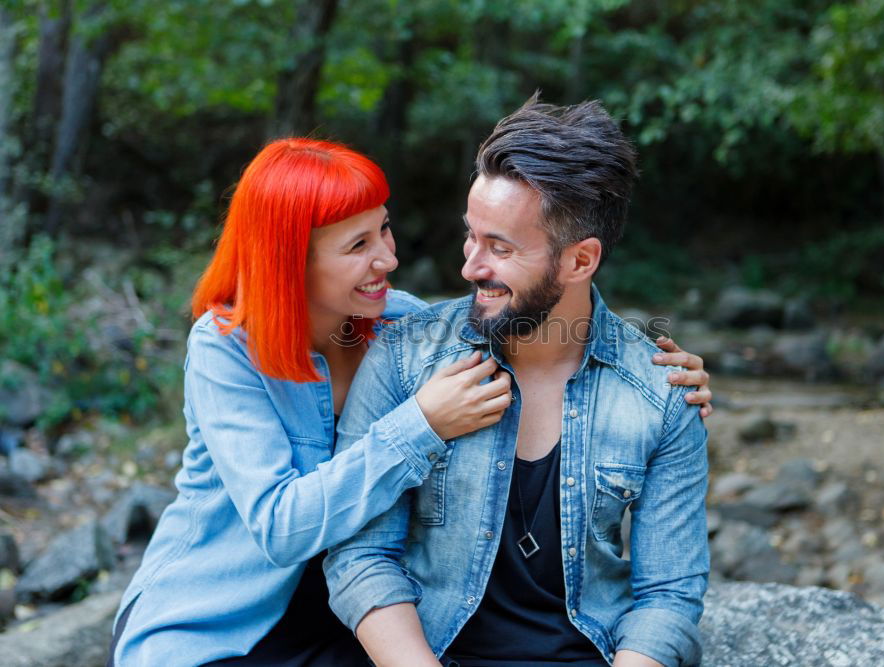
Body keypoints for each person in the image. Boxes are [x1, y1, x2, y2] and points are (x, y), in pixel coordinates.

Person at [108, 137, 712, 665]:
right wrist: (422, 423)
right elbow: (283, 527)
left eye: (385, 229)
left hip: (342, 626)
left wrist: (656, 380)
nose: (390, 259)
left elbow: (510, 330)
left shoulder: (400, 325)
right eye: (358, 245)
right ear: (291, 258)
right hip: (223, 622)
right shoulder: (226, 351)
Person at [325, 97, 709, 667]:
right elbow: (360, 554)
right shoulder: (405, 358)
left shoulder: (662, 393)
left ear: (580, 261)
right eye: (470, 236)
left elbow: (668, 597)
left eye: (500, 248)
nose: (470, 266)